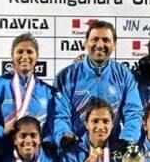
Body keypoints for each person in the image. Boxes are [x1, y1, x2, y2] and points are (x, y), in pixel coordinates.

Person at [54, 20, 143, 148]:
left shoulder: (124, 75)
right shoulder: (66, 76)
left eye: (106, 40)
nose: (100, 45)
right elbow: (59, 113)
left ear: (114, 44)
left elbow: (133, 112)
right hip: (75, 150)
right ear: (85, 42)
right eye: (94, 39)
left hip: (112, 151)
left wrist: (127, 140)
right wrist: (64, 135)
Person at [0, 33, 60, 153]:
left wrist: (44, 142)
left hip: (37, 156)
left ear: (37, 56)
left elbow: (52, 125)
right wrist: (2, 130)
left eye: (29, 52)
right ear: (12, 56)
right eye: (20, 52)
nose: (25, 56)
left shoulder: (47, 92)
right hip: (3, 153)